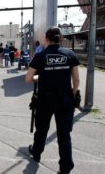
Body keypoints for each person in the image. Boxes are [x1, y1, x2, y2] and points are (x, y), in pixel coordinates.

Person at [26, 27, 80, 174]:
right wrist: (73, 95)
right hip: (65, 100)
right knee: (64, 134)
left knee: (42, 130)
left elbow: (28, 78)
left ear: (46, 39)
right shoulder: (70, 55)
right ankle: (66, 167)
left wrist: (40, 77)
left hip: (45, 101)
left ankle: (36, 153)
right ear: (61, 38)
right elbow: (76, 80)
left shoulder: (40, 56)